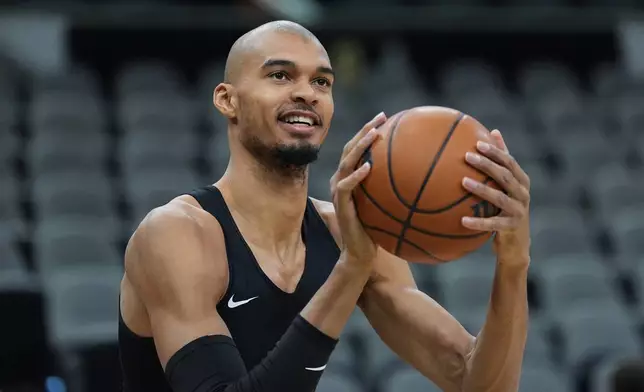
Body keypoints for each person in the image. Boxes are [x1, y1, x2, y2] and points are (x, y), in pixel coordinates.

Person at [118, 20, 532, 392]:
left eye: (322, 82)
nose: (306, 93)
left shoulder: (347, 232)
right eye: (280, 75)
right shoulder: (177, 234)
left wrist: (513, 262)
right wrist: (350, 269)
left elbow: (476, 384)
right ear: (228, 100)